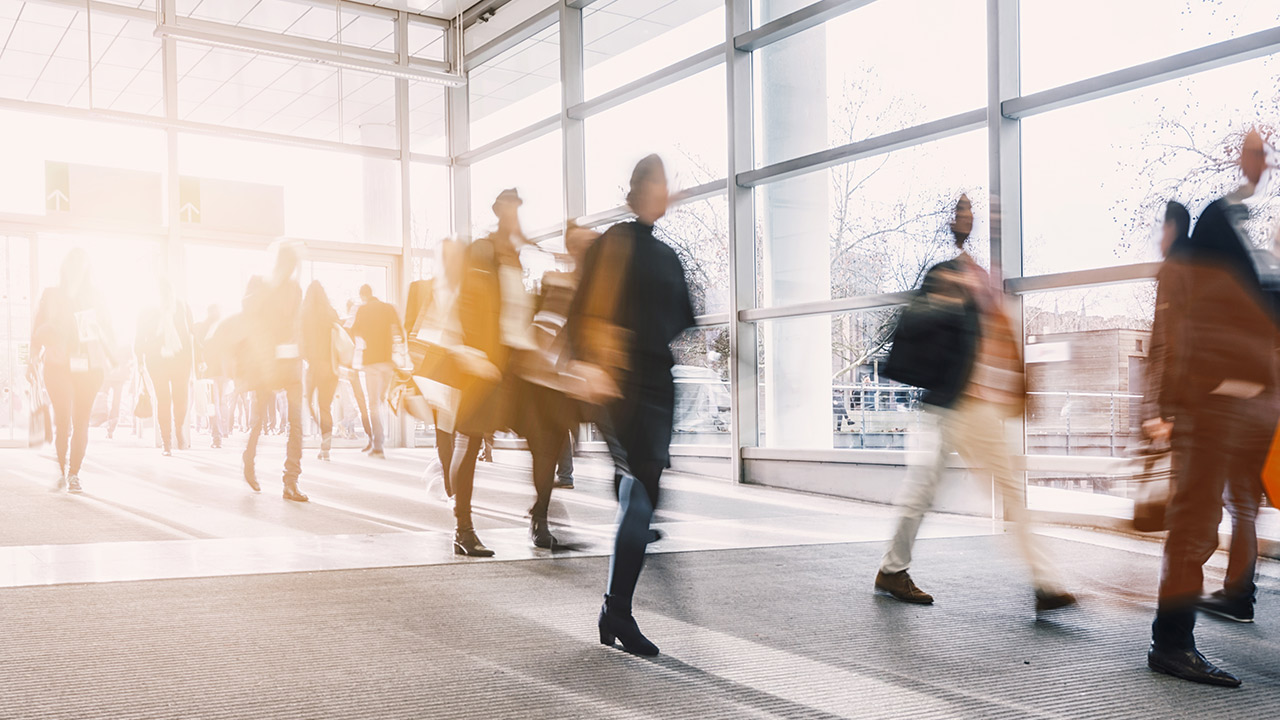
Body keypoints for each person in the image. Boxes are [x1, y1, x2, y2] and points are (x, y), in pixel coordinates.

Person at [875, 194, 1075, 614]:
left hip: (976, 408)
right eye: (962, 213)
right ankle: (1041, 581)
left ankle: (1042, 581)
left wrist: (1019, 390)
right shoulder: (946, 276)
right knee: (935, 489)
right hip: (953, 404)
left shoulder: (984, 279)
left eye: (973, 213)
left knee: (980, 488)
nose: (968, 220)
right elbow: (913, 328)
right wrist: (945, 301)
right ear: (953, 223)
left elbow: (999, 345)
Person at [1143, 129, 1277, 688]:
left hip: (1237, 412)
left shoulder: (1233, 250)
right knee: (1195, 525)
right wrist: (1166, 411)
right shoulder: (1202, 256)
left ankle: (1221, 606)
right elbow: (1171, 343)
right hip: (1206, 410)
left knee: (1215, 517)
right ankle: (1171, 645)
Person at [571, 155, 695, 656]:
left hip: (656, 385)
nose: (665, 192)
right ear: (640, 188)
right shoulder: (615, 243)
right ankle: (617, 610)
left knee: (645, 492)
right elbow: (584, 309)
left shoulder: (666, 254)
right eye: (658, 183)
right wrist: (593, 365)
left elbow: (679, 319)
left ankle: (613, 609)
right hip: (620, 384)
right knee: (639, 493)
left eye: (668, 184)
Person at [447, 188, 528, 557]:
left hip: (511, 361)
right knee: (470, 439)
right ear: (499, 212)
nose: (514, 216)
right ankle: (463, 528)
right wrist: (473, 353)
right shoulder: (483, 249)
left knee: (544, 432)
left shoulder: (513, 254)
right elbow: (467, 299)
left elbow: (514, 309)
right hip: (484, 362)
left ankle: (539, 519)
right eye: (509, 209)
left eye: (518, 210)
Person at [31, 248, 116, 493]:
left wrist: (99, 327)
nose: (77, 269)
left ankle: (74, 473)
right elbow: (38, 329)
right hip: (57, 366)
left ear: (87, 270)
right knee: (63, 419)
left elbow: (109, 329)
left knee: (81, 422)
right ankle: (62, 468)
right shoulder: (51, 295)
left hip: (89, 367)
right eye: (73, 264)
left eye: (81, 265)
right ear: (65, 268)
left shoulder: (97, 297)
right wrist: (33, 359)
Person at [241, 241, 309, 503]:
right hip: (265, 363)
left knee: (296, 423)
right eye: (288, 264)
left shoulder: (295, 288)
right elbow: (249, 315)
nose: (291, 270)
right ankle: (249, 460)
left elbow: (296, 322)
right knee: (259, 420)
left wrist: (299, 348)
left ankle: (291, 481)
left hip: (291, 363)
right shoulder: (259, 283)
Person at [405, 237, 467, 500]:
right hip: (432, 366)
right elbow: (409, 326)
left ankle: (447, 473)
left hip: (459, 364)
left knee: (455, 427)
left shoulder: (466, 288)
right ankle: (452, 486)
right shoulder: (420, 288)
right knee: (445, 428)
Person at [136, 280, 195, 456]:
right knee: (163, 399)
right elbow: (140, 336)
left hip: (180, 360)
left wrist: (196, 360)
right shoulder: (147, 311)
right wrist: (139, 359)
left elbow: (191, 333)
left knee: (181, 399)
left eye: (168, 291)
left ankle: (178, 429)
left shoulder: (182, 306)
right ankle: (166, 441)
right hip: (157, 360)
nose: (165, 294)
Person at [351, 284, 404, 458]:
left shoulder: (362, 310)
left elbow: (354, 332)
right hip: (388, 362)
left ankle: (378, 445)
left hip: (371, 362)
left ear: (363, 296)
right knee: (381, 400)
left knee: (373, 404)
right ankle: (380, 438)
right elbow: (400, 334)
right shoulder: (389, 308)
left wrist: (364, 341)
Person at [302, 281, 341, 461]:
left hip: (315, 366)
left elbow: (300, 342)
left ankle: (324, 437)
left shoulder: (304, 315)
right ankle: (326, 445)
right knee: (325, 406)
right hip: (331, 367)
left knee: (309, 403)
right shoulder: (331, 313)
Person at [192, 304, 227, 448]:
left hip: (210, 372)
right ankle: (220, 433)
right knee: (220, 403)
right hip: (221, 372)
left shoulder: (203, 329)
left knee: (214, 404)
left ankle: (217, 436)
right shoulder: (222, 328)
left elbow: (198, 348)